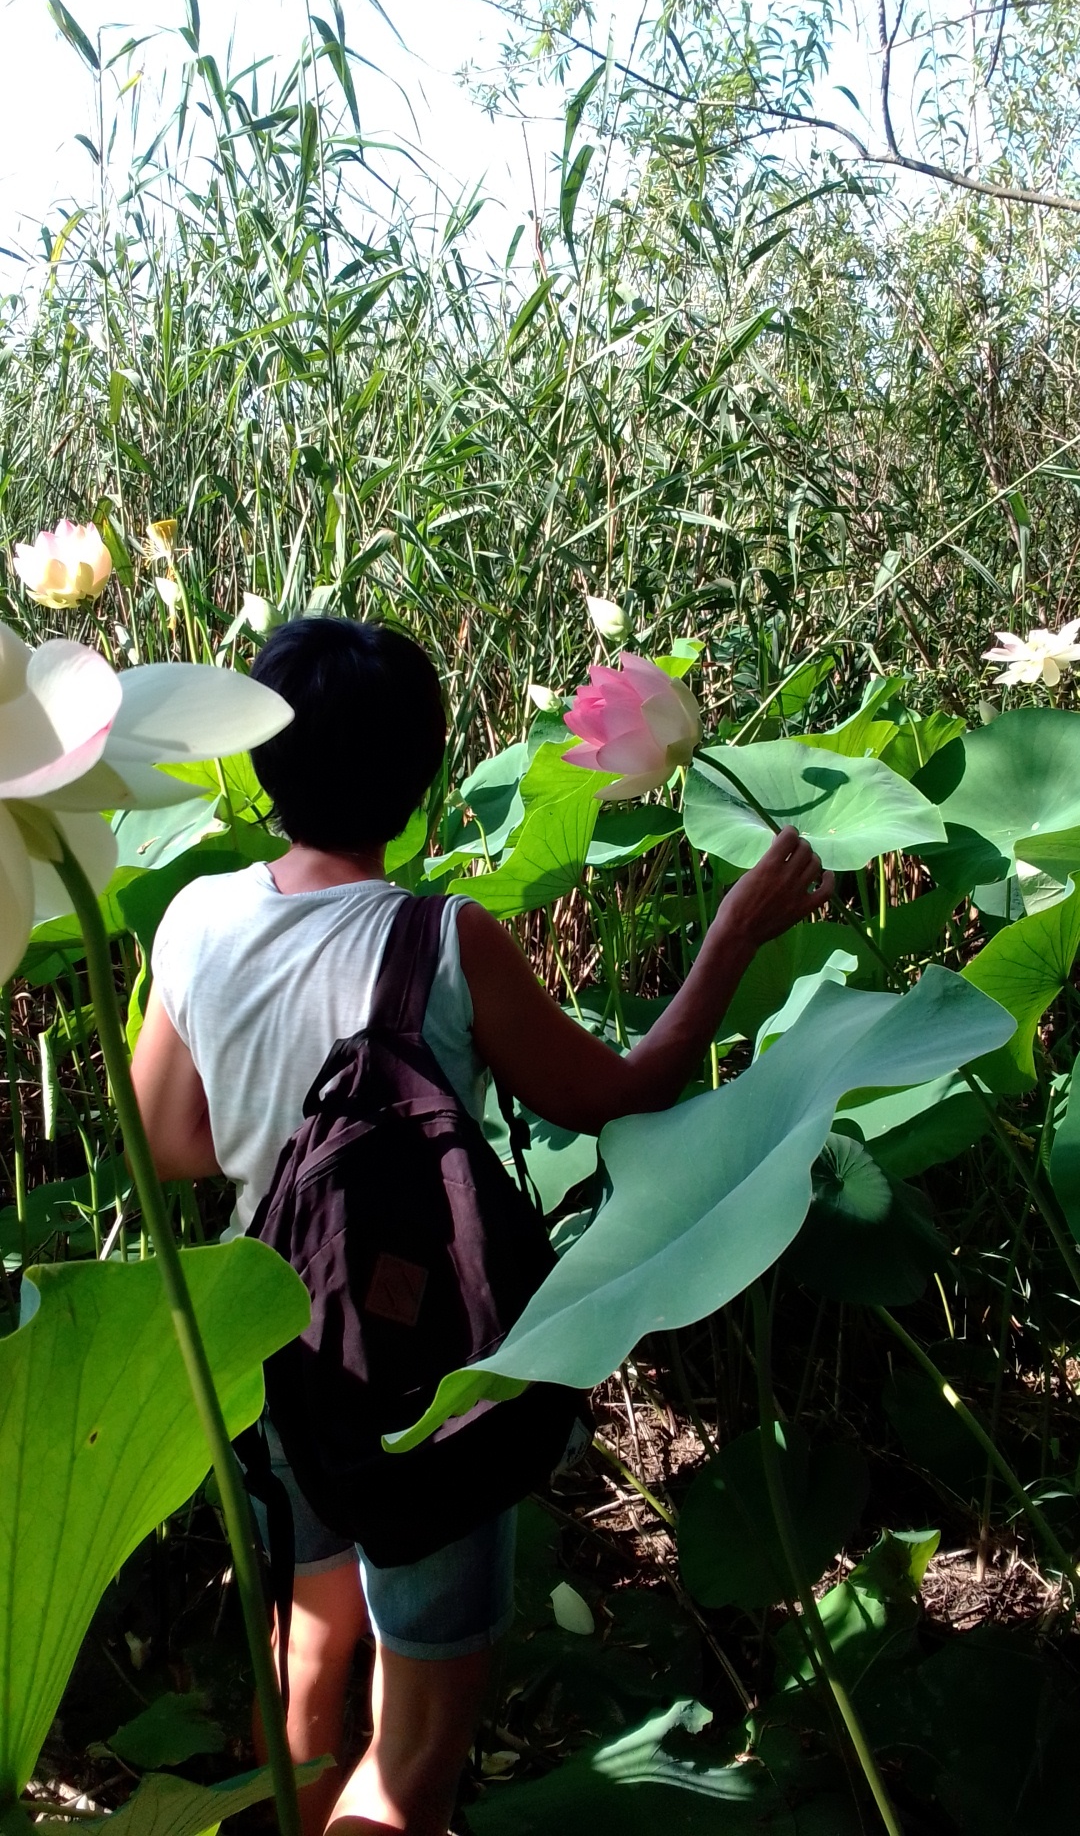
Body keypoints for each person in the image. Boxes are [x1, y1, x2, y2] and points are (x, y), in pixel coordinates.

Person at [131, 616, 834, 1836]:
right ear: (418, 779)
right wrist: (731, 938)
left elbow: (170, 1143)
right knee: (414, 1758)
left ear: (264, 761)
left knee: (308, 1664)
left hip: (273, 1352)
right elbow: (614, 1096)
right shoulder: (447, 940)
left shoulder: (193, 919)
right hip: (422, 1375)